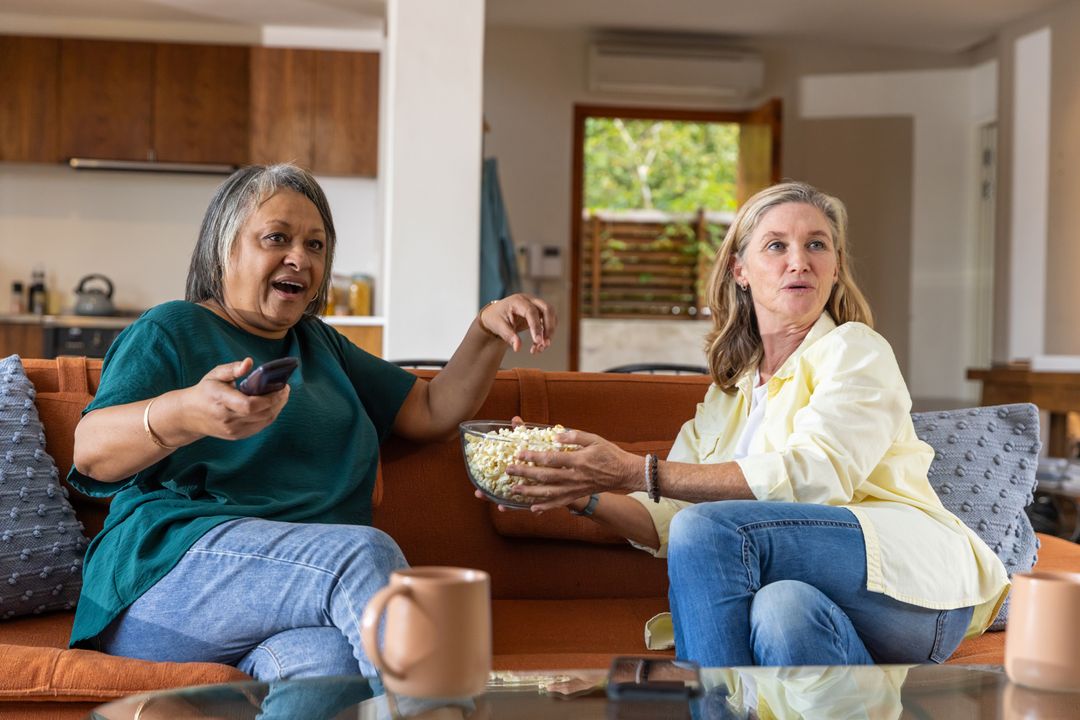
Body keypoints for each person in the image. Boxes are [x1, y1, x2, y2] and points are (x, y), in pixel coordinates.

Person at [68, 163, 555, 681]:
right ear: (225, 247)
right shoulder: (171, 328)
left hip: (294, 597)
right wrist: (187, 412)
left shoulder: (318, 345)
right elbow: (91, 454)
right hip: (166, 584)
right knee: (362, 555)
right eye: (277, 238)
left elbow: (432, 409)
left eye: (316, 245)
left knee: (328, 669)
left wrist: (486, 326)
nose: (300, 258)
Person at [503, 181, 1009, 667]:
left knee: (707, 527)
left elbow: (816, 476)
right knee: (781, 612)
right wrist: (582, 492)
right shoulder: (729, 396)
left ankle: (714, 710)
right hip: (816, 597)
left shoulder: (854, 350)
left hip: (910, 589)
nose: (799, 261)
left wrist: (636, 470)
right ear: (740, 270)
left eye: (817, 245)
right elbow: (669, 515)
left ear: (834, 269)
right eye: (776, 246)